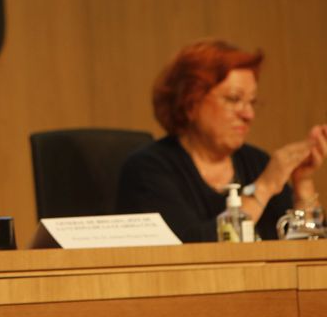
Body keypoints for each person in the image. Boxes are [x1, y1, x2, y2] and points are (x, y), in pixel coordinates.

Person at [117, 39, 327, 242]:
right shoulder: (148, 170)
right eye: (234, 99)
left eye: (252, 102)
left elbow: (305, 251)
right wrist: (263, 188)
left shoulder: (256, 162)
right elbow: (188, 249)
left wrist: (303, 183)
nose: (248, 114)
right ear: (191, 101)